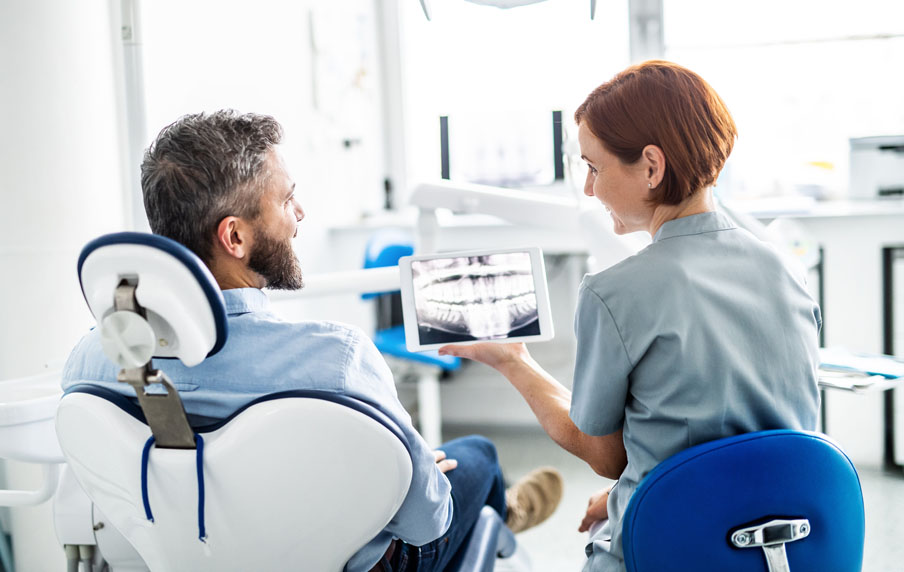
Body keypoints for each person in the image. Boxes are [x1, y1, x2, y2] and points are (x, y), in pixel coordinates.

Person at [61, 110, 563, 572]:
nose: (300, 212)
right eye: (285, 199)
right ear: (234, 238)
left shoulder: (90, 363)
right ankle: (504, 516)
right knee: (476, 458)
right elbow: (424, 523)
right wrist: (415, 473)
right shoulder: (337, 361)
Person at [439, 60, 821, 572]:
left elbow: (605, 456)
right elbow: (740, 438)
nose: (589, 191)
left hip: (676, 549)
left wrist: (514, 361)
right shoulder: (786, 270)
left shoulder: (614, 293)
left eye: (594, 168)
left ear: (651, 166)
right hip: (780, 546)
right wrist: (633, 494)